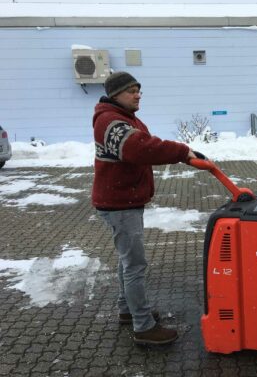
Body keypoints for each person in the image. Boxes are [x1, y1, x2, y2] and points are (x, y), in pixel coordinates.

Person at [92, 71, 196, 345]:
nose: (137, 95)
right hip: (118, 204)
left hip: (124, 200)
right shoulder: (109, 120)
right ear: (115, 95)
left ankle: (128, 310)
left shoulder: (125, 117)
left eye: (139, 90)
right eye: (131, 91)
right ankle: (143, 326)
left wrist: (180, 153)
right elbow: (140, 148)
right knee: (135, 265)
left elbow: (147, 143)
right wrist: (181, 151)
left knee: (128, 261)